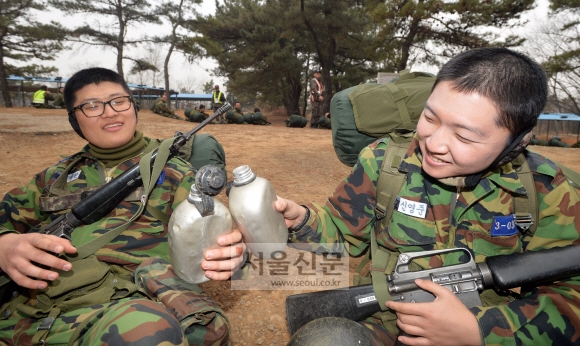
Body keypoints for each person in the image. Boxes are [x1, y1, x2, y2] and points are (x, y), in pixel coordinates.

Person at [276, 48, 580, 345]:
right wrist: (301, 220)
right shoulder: (385, 162)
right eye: (430, 118)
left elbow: (571, 294)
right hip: (385, 321)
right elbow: (343, 232)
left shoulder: (546, 191)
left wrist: (480, 331)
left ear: (516, 142)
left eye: (464, 136)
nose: (434, 143)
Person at [0, 67, 246, 345]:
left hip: (127, 309)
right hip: (29, 314)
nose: (110, 112)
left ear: (133, 106)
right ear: (74, 119)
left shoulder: (177, 174)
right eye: (92, 106)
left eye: (119, 101)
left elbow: (226, 249)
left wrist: (235, 259)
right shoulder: (52, 178)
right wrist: (5, 245)